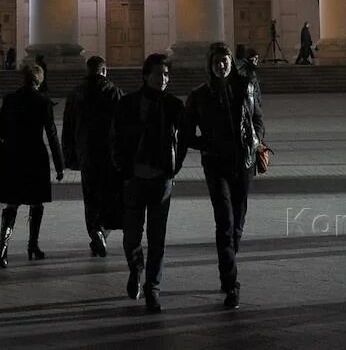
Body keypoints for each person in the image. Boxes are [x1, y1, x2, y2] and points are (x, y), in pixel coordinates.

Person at [184, 42, 265, 311]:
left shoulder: (246, 86)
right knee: (225, 222)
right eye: (216, 61)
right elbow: (186, 134)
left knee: (238, 222)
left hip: (243, 163)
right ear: (210, 64)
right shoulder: (199, 96)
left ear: (231, 62)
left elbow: (258, 119)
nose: (221, 65)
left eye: (225, 60)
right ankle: (231, 283)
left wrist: (255, 140)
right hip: (216, 165)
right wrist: (206, 145)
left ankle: (228, 258)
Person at [112, 53, 187, 314]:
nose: (163, 79)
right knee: (131, 237)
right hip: (134, 179)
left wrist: (174, 168)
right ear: (146, 75)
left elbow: (187, 138)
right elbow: (116, 138)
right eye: (158, 74)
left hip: (161, 181)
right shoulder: (128, 104)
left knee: (158, 240)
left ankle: (153, 290)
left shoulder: (175, 106)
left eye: (166, 74)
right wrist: (123, 168)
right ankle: (136, 270)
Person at [0, 61, 64, 267]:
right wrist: (60, 164)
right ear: (40, 80)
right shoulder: (43, 101)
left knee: (12, 202)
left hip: (13, 154)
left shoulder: (10, 99)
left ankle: (3, 249)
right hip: (35, 155)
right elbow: (52, 135)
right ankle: (32, 245)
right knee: (36, 202)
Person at [62, 54, 123, 257]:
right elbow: (124, 127)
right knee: (110, 195)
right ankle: (102, 233)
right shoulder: (114, 92)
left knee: (90, 196)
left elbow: (68, 127)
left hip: (86, 152)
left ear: (87, 71)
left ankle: (95, 231)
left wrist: (68, 154)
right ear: (104, 71)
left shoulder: (75, 94)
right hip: (110, 154)